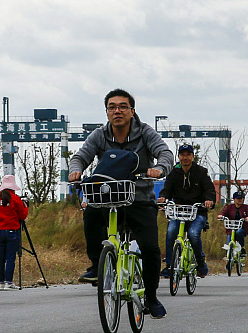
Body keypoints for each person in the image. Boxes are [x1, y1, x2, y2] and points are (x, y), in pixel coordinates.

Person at [68, 88, 173, 318]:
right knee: (90, 213)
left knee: (151, 249)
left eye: (123, 106)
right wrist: (76, 170)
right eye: (112, 107)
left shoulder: (145, 133)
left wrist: (159, 169)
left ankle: (152, 297)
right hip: (106, 198)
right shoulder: (99, 135)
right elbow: (80, 157)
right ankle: (98, 264)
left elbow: (165, 153)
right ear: (106, 112)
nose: (117, 111)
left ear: (132, 111)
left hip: (139, 198)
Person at [159, 144, 217, 278]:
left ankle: (201, 263)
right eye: (182, 155)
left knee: (193, 234)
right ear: (178, 156)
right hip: (178, 212)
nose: (185, 158)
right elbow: (166, 189)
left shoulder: (201, 172)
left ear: (193, 156)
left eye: (188, 155)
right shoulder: (173, 172)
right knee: (171, 232)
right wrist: (163, 198)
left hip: (197, 211)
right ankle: (169, 265)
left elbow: (210, 189)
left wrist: (209, 200)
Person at [0, 174, 29, 290]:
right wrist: (26, 206)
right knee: (10, 258)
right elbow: (22, 216)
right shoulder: (15, 199)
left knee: (0, 258)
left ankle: (2, 282)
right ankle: (9, 282)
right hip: (12, 230)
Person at [217, 190, 248, 257]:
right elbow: (224, 212)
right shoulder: (229, 207)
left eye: (241, 198)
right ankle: (228, 258)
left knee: (239, 232)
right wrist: (221, 216)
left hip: (242, 228)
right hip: (231, 228)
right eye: (238, 198)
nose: (240, 200)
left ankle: (242, 248)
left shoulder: (246, 207)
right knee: (228, 241)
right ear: (234, 199)